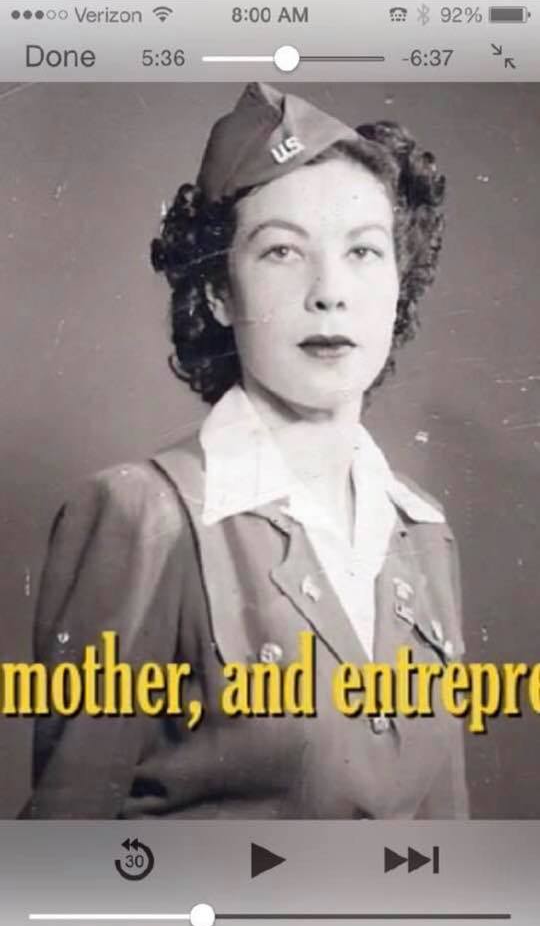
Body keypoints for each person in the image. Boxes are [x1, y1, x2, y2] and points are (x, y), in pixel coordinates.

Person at [23, 82, 469, 819]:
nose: (330, 291)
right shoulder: (143, 516)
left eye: (363, 250)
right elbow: (65, 851)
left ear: (399, 283)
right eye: (283, 251)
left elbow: (447, 845)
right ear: (219, 293)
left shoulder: (422, 532)